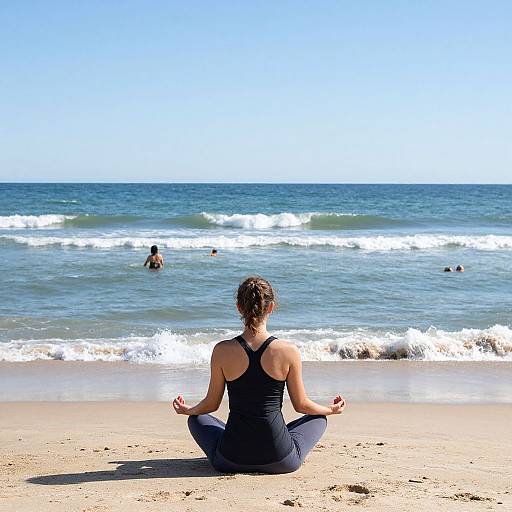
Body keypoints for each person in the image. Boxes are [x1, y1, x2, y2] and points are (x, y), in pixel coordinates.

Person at [172, 276, 346, 474]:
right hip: (280, 460)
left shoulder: (222, 350)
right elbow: (301, 405)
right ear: (271, 307)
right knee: (319, 418)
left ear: (239, 307)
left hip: (230, 459)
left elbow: (211, 405)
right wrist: (330, 409)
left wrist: (188, 410)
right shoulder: (288, 351)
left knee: (196, 418)